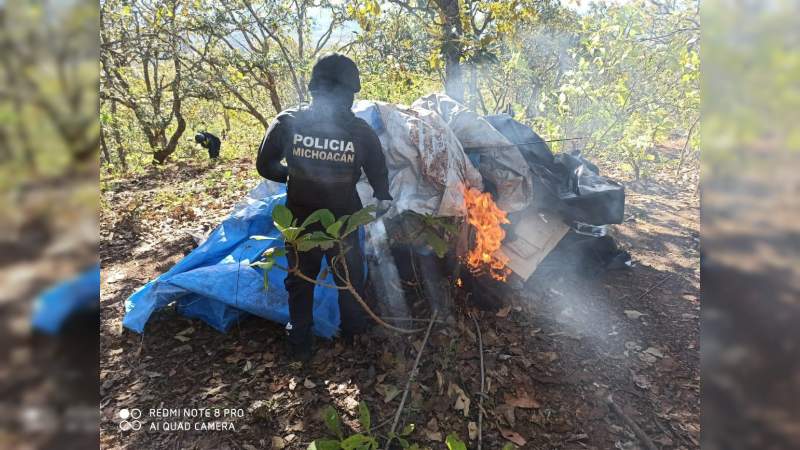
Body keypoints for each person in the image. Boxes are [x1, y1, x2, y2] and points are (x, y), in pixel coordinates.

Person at [256, 53, 393, 362]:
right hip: (342, 222)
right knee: (348, 279)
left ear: (313, 89)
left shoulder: (287, 122)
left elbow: (265, 165)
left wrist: (295, 175)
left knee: (300, 281)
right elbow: (378, 171)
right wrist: (383, 198)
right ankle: (354, 335)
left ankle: (300, 343)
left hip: (299, 222)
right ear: (350, 93)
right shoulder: (360, 132)